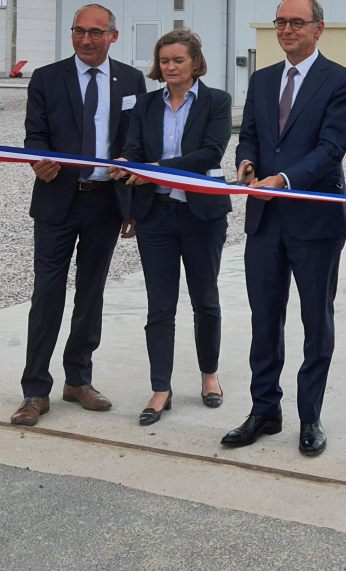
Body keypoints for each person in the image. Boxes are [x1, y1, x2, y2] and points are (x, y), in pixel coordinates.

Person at [222, 0, 346, 457]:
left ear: (319, 28)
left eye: (297, 23)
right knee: (265, 319)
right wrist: (245, 162)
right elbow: (253, 137)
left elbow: (331, 149)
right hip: (265, 220)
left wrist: (281, 178)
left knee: (315, 321)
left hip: (314, 220)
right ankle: (265, 410)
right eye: (280, 22)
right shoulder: (262, 81)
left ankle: (310, 416)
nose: (287, 31)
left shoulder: (341, 81)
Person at [12, 3, 146, 426]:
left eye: (95, 32)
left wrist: (132, 202)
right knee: (47, 293)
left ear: (113, 36)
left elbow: (135, 144)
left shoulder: (131, 81)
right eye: (78, 31)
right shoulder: (47, 78)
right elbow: (35, 134)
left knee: (91, 293)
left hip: (105, 202)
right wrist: (38, 161)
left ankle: (78, 380)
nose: (85, 40)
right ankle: (35, 390)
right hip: (57, 198)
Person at [109, 29, 232, 426]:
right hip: (155, 216)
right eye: (164, 61)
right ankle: (161, 387)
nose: (170, 67)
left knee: (205, 300)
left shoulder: (217, 101)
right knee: (159, 306)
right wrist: (127, 164)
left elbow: (210, 152)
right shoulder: (145, 104)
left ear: (195, 62)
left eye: (178, 60)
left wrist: (158, 169)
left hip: (201, 216)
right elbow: (133, 147)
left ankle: (209, 375)